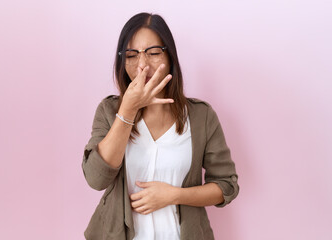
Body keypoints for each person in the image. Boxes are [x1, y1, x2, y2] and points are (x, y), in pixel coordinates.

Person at [82, 12, 239, 240]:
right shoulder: (109, 111)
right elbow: (96, 179)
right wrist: (127, 110)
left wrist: (174, 195)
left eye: (154, 53)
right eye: (131, 55)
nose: (142, 65)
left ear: (170, 57)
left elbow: (226, 186)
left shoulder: (201, 116)